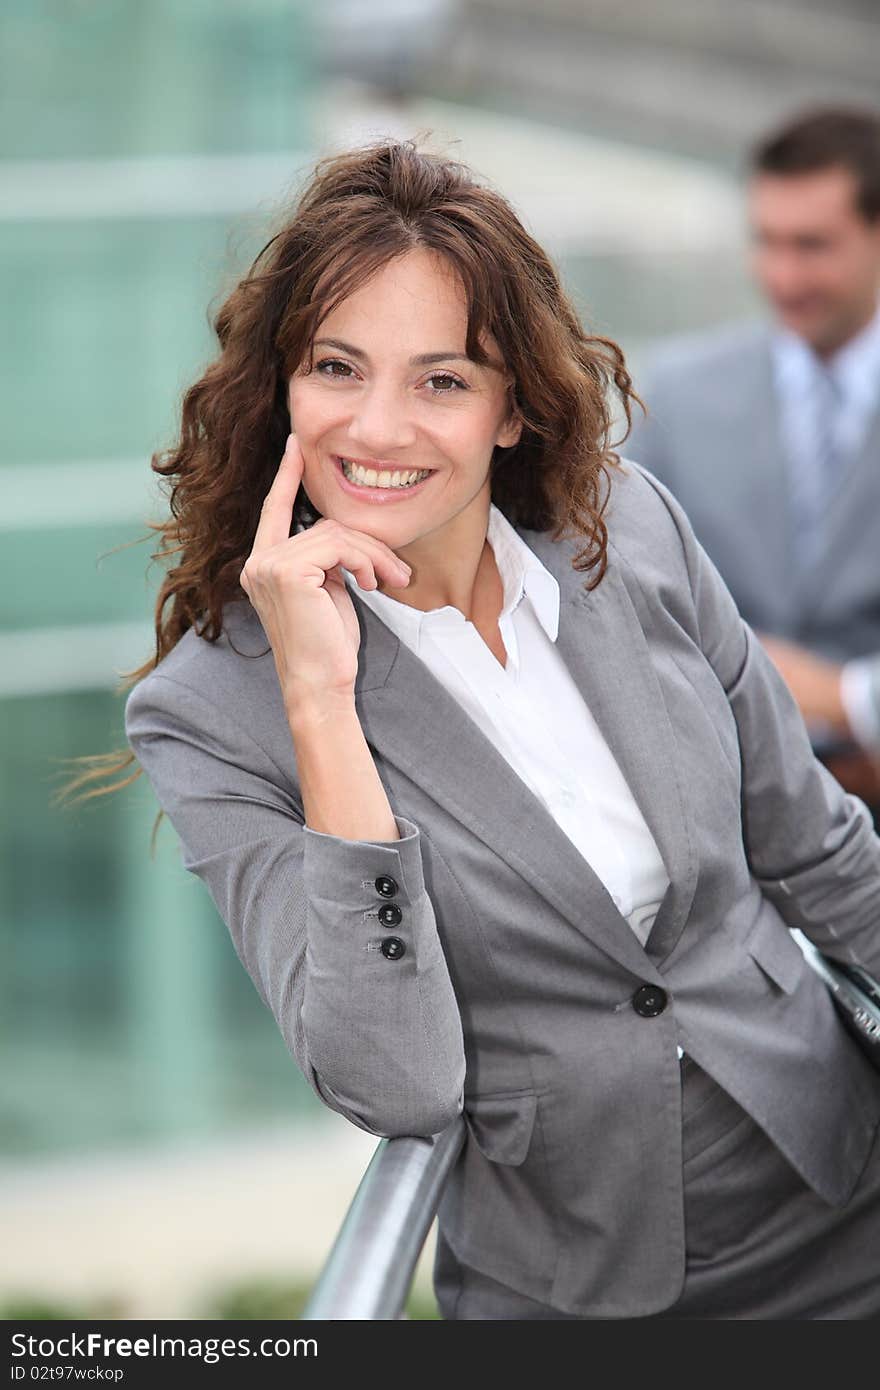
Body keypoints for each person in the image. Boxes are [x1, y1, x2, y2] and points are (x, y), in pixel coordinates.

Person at [68, 138, 880, 1318]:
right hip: (580, 1280)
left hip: (839, 1188)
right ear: (279, 387)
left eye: (442, 379)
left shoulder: (628, 528)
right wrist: (317, 703)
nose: (379, 427)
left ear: (510, 410)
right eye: (336, 367)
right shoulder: (209, 711)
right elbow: (396, 1076)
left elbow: (815, 849)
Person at [626, 105, 880, 822]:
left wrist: (852, 700)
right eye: (765, 242)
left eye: (812, 245)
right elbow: (612, 583)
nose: (781, 274)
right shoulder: (677, 389)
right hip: (721, 800)